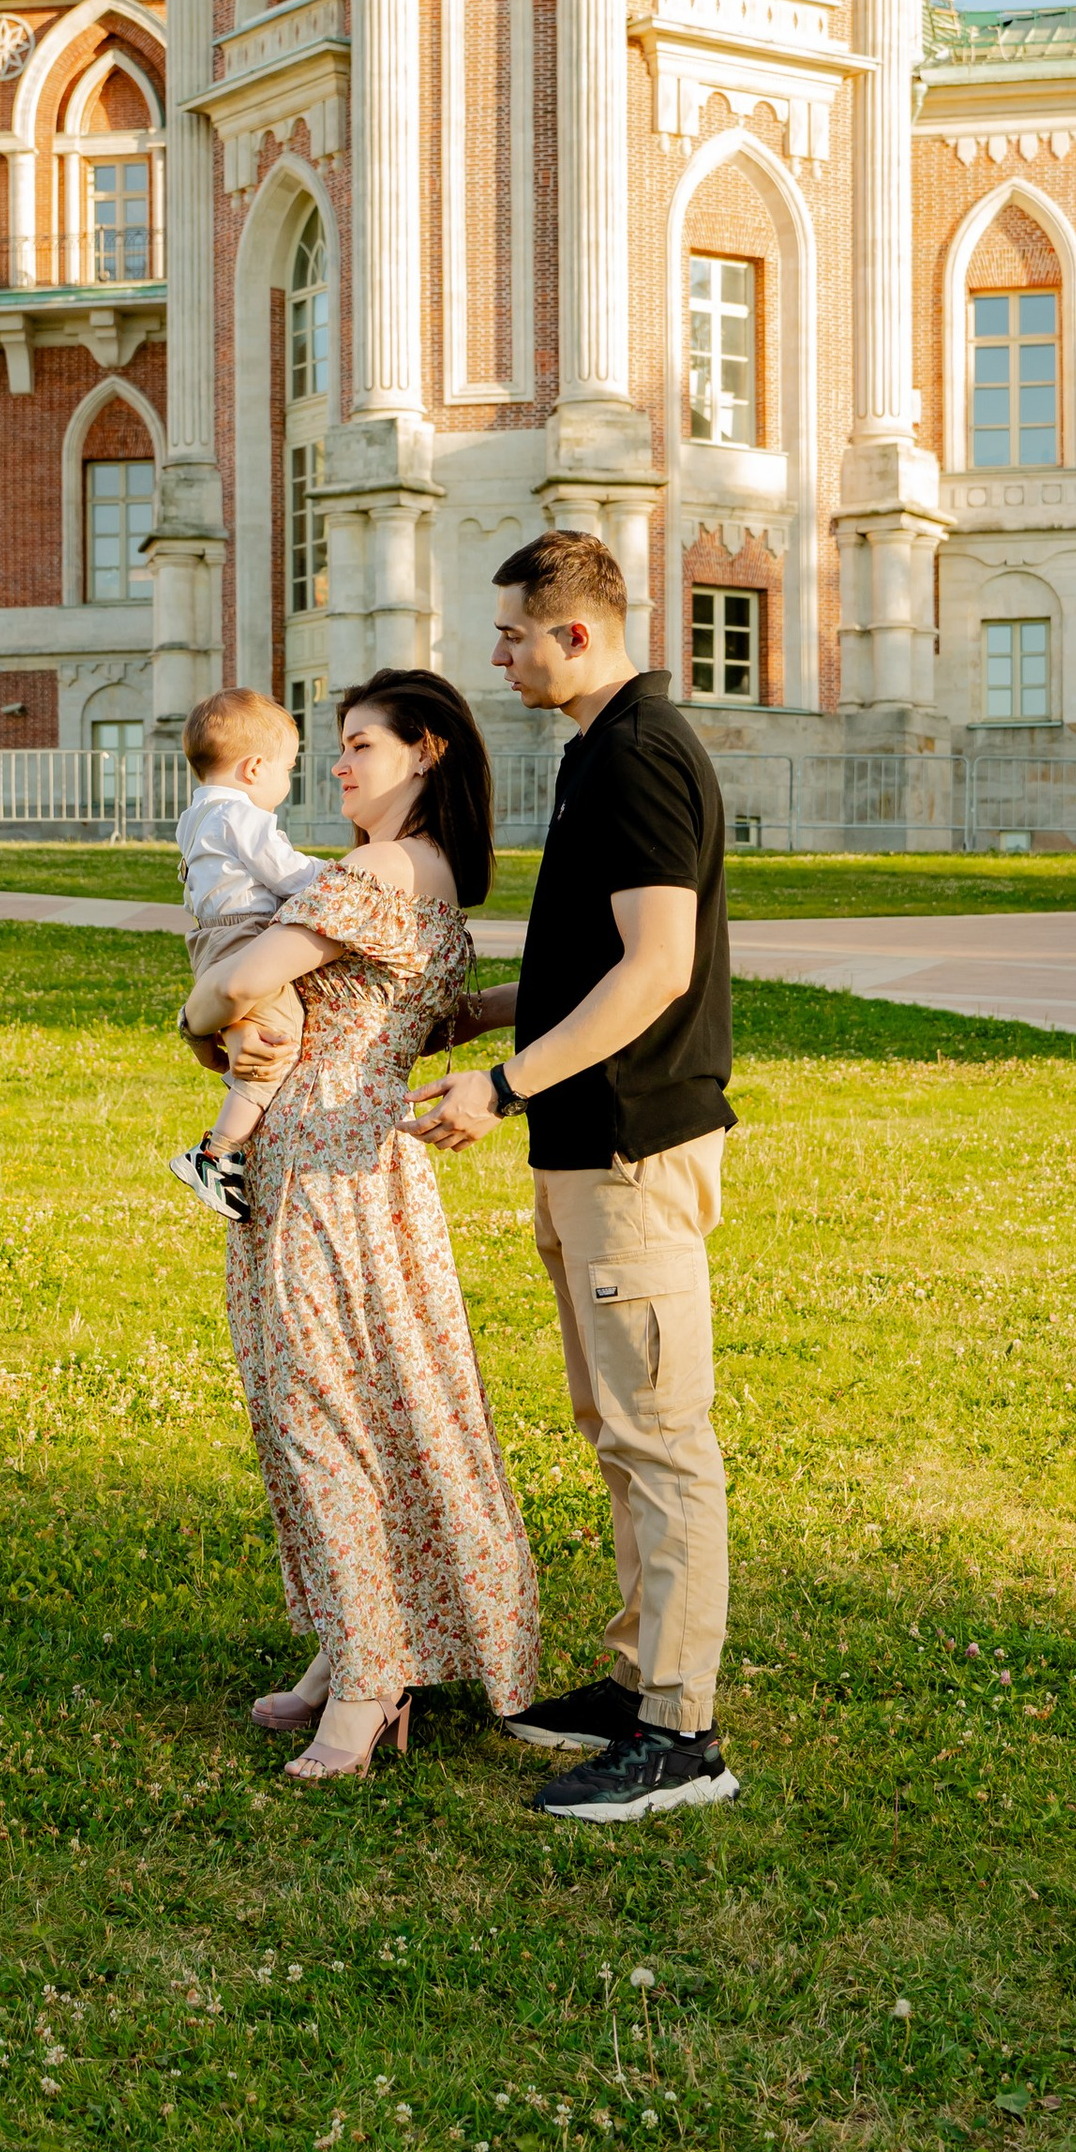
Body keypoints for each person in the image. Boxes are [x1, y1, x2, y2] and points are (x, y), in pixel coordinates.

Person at [409, 529, 740, 1825]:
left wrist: (501, 1089)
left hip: (628, 1143)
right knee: (618, 1429)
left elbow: (656, 968)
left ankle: (683, 1735)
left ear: (579, 635)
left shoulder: (644, 760)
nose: (498, 656)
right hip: (581, 1146)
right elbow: (595, 961)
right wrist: (482, 1013)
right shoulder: (597, 752)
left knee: (662, 1439)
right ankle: (637, 1683)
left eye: (512, 636)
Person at [182, 669, 539, 1783]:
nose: (338, 767)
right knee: (379, 1412)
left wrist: (192, 1015)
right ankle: (356, 1645)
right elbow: (423, 1024)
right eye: (333, 747)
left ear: (425, 753)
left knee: (322, 1417)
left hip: (323, 1172)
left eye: (360, 746)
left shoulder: (376, 870)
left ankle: (374, 1675)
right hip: (366, 1169)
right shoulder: (431, 879)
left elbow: (244, 982)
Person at [166, 686, 320, 1221]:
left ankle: (230, 1145)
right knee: (277, 1043)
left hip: (208, 938)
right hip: (245, 933)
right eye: (288, 768)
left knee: (248, 1032)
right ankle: (218, 1153)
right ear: (255, 768)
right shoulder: (243, 818)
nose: (288, 779)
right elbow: (286, 871)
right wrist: (339, 880)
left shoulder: (195, 817)